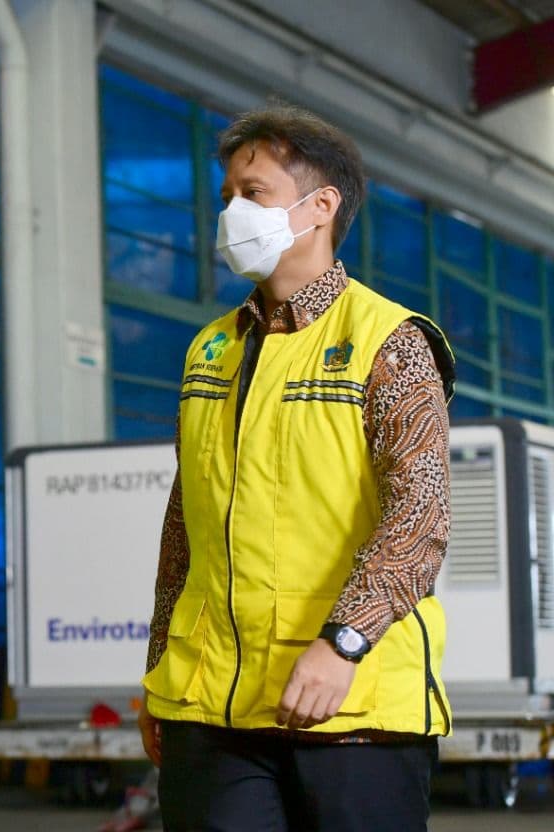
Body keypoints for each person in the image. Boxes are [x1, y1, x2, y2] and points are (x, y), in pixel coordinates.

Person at [136, 105, 456, 831]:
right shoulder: (209, 350)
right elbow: (185, 523)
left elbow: (421, 517)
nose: (231, 212)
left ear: (320, 207)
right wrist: (160, 672)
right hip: (212, 710)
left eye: (253, 193)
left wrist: (343, 643)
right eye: (225, 197)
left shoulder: (389, 343)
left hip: (354, 708)